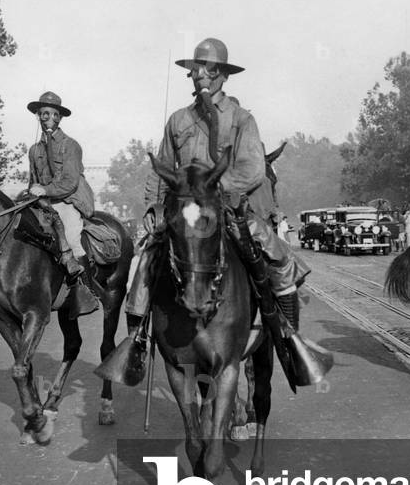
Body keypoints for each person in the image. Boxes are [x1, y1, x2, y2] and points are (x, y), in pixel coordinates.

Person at [101, 37, 311, 383]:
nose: (202, 74)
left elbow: (252, 169)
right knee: (144, 264)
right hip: (182, 212)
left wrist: (212, 190)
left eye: (210, 69)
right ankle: (136, 341)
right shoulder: (178, 120)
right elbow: (163, 168)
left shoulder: (242, 120)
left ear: (223, 76)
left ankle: (288, 341)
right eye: (197, 68)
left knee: (281, 261)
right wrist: (154, 206)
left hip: (227, 210)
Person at [25, 91, 95, 281]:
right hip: (42, 204)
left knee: (71, 240)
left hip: (67, 201)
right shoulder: (34, 150)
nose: (48, 118)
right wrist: (31, 194)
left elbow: (70, 183)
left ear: (60, 117)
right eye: (44, 113)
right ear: (38, 115)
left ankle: (85, 289)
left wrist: (45, 190)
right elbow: (33, 181)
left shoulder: (70, 145)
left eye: (54, 114)